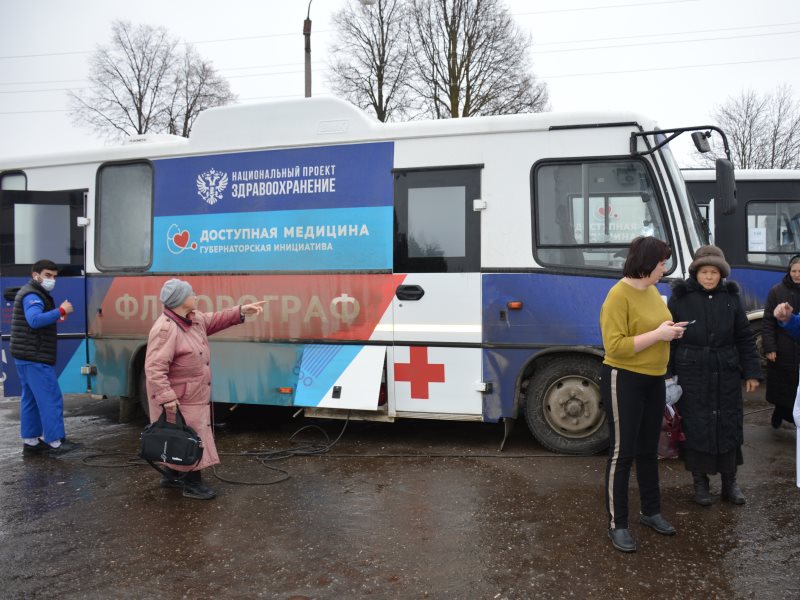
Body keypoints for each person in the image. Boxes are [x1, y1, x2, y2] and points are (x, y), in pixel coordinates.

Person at [599, 236, 684, 553]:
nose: (665, 268)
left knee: (649, 450)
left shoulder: (651, 291)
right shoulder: (617, 296)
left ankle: (651, 512)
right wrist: (659, 334)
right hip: (624, 378)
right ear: (648, 264)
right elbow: (615, 346)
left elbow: (653, 329)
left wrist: (670, 329)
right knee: (622, 452)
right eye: (663, 263)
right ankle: (617, 524)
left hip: (654, 379)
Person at [144, 278, 264, 500]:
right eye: (192, 293)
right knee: (191, 438)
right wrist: (167, 397)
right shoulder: (165, 329)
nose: (196, 295)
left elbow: (215, 319)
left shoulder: (193, 319)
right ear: (180, 300)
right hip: (180, 397)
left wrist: (240, 312)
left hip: (191, 394)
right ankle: (192, 484)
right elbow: (154, 368)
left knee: (178, 435)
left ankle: (171, 476)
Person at [668, 245, 762, 507]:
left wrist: (752, 372)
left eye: (714, 272)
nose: (709, 277)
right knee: (696, 426)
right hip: (692, 371)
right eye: (704, 271)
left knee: (728, 424)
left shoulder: (731, 298)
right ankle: (700, 484)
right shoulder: (681, 298)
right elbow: (671, 339)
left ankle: (730, 483)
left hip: (726, 371)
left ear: (721, 274)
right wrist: (667, 374)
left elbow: (744, 337)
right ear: (696, 273)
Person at [10, 259, 80, 456]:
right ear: (36, 275)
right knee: (50, 397)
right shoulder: (33, 294)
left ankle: (31, 442)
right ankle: (55, 443)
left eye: (54, 276)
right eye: (48, 275)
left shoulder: (30, 292)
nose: (52, 280)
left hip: (24, 354)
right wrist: (60, 311)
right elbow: (34, 320)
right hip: (35, 356)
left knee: (30, 399)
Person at [761, 255, 800, 429]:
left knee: (796, 387)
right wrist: (770, 347)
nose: (797, 274)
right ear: (789, 271)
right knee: (781, 385)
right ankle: (779, 412)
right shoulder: (777, 291)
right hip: (782, 346)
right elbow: (768, 321)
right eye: (794, 271)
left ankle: (792, 415)